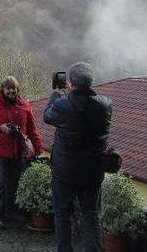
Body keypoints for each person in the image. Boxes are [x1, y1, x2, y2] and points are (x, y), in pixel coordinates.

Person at [44, 62, 112, 252]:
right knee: (91, 215)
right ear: (91, 82)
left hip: (65, 171)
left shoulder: (63, 105)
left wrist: (56, 94)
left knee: (62, 214)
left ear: (70, 83)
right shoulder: (106, 105)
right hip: (92, 171)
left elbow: (48, 116)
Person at [0, 75, 44, 229]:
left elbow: (32, 130)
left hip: (18, 150)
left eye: (13, 88)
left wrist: (38, 149)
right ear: (3, 89)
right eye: (8, 88)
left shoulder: (24, 105)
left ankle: (11, 212)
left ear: (17, 89)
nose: (11, 91)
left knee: (14, 182)